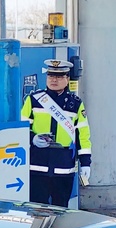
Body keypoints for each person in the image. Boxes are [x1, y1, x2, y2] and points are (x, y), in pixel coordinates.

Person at [21, 59, 92, 207]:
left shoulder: (76, 104)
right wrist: (32, 139)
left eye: (59, 76)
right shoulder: (34, 100)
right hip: (36, 164)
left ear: (67, 79)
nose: (54, 80)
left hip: (63, 166)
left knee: (61, 209)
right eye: (50, 76)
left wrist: (86, 163)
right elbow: (21, 128)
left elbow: (83, 136)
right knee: (36, 209)